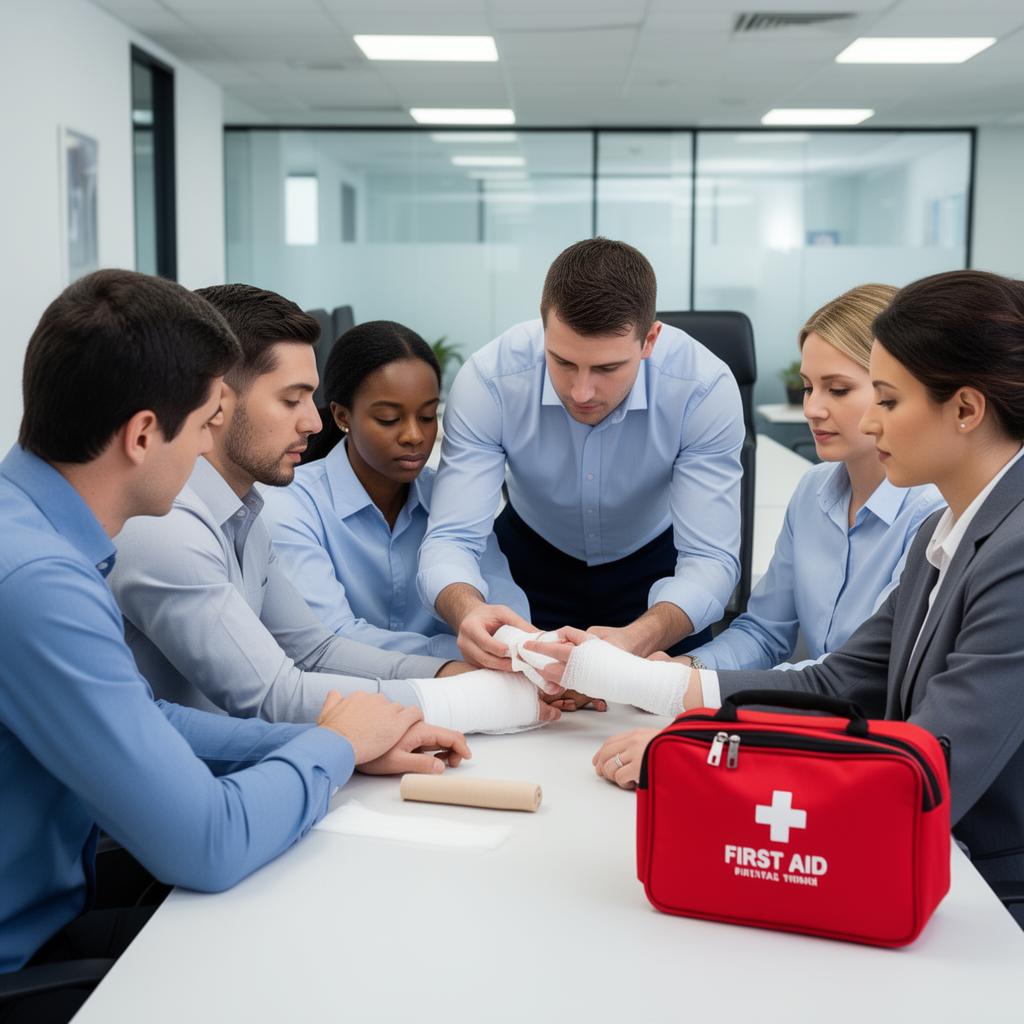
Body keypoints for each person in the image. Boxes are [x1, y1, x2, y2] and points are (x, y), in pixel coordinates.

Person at [0, 270, 469, 1022]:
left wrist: (330, 735)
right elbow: (208, 843)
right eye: (203, 422)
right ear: (144, 434)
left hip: (56, 906)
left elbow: (147, 714)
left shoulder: (34, 530)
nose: (206, 449)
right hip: (23, 958)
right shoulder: (37, 581)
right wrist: (332, 748)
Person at [531, 270, 1024, 910]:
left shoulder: (1011, 553)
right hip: (916, 858)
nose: (868, 422)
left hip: (987, 893)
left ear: (964, 409)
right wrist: (632, 679)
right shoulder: (950, 527)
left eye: (887, 400)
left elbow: (929, 768)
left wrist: (712, 752)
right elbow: (840, 680)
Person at [108, 284, 558, 734]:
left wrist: (446, 674)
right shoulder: (165, 525)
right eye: (291, 400)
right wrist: (469, 700)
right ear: (217, 401)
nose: (314, 422)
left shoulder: (244, 512)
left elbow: (316, 651)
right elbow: (272, 695)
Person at [417, 237, 745, 671]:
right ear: (543, 327)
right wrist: (467, 610)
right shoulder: (490, 380)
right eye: (563, 362)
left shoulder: (703, 388)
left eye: (607, 368)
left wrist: (640, 636)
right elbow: (452, 538)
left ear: (649, 340)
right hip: (529, 562)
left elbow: (709, 559)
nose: (581, 391)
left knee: (658, 720)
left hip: (659, 571)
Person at [682, 284, 944, 671]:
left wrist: (685, 688)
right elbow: (764, 632)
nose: (812, 409)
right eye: (808, 388)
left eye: (837, 390)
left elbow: (861, 672)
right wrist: (684, 669)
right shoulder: (812, 491)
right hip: (814, 709)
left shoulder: (932, 513)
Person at [262, 320, 529, 663]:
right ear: (343, 416)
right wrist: (470, 652)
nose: (414, 435)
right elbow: (331, 640)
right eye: (389, 419)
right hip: (345, 702)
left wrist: (518, 643)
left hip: (465, 692)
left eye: (429, 415)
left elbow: (503, 602)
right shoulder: (290, 507)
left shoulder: (449, 498)